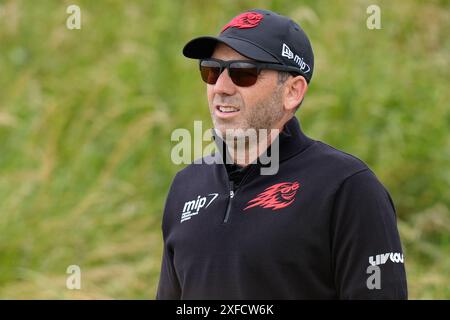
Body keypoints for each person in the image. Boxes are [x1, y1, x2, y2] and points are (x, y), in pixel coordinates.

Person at [156, 9, 407, 299]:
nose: (221, 87)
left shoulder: (348, 188)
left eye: (243, 73)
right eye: (211, 70)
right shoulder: (186, 186)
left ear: (292, 92)